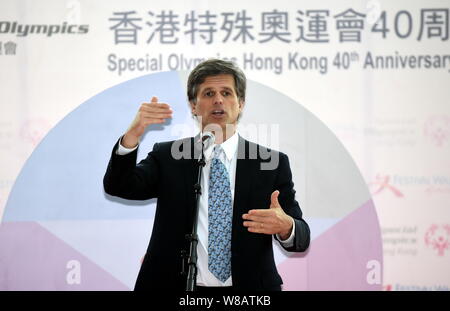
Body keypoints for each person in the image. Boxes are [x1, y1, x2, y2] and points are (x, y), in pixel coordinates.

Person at [103, 59, 310, 291]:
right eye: (209, 93)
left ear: (240, 103)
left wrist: (286, 226)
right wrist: (134, 133)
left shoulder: (271, 163)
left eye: (227, 93)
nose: (218, 100)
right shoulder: (169, 156)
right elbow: (119, 185)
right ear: (193, 105)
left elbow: (301, 237)